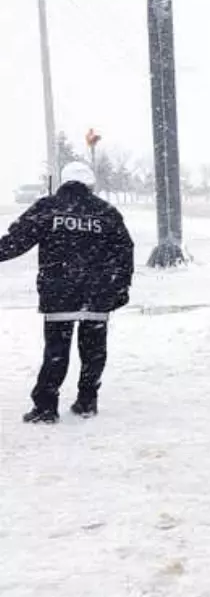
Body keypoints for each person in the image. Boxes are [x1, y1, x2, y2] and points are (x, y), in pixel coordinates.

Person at [0, 162, 134, 423]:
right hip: (98, 294)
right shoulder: (106, 212)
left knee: (56, 351)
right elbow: (124, 251)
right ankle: (87, 402)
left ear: (63, 182)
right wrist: (121, 286)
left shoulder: (48, 208)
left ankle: (46, 407)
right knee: (94, 351)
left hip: (59, 292)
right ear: (90, 185)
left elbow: (17, 240)